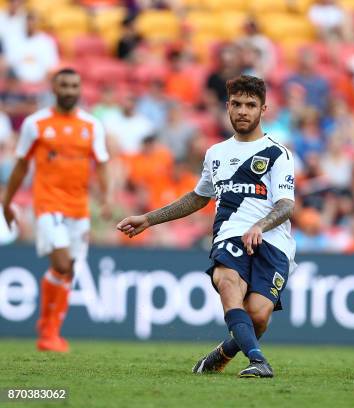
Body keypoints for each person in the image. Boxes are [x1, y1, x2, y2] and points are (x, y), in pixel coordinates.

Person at [117, 75, 296, 378]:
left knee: (258, 315)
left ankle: (225, 351)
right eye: (237, 104)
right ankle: (258, 361)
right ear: (227, 107)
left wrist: (260, 226)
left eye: (250, 105)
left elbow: (286, 204)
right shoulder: (216, 153)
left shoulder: (278, 153)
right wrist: (148, 219)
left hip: (273, 242)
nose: (242, 111)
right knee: (227, 283)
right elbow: (198, 198)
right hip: (229, 235)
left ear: (263, 109)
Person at [1, 68, 110, 352]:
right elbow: (22, 164)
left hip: (78, 207)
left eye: (74, 85)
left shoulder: (91, 125)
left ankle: (50, 330)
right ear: (54, 87)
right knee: (61, 264)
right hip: (48, 203)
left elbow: (102, 163)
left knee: (70, 269)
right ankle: (48, 332)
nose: (70, 90)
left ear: (80, 88)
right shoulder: (35, 124)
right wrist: (7, 201)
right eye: (64, 84)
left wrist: (106, 198)